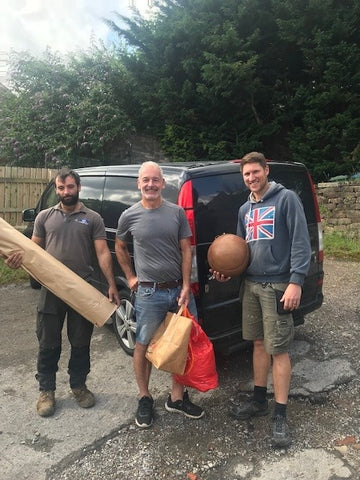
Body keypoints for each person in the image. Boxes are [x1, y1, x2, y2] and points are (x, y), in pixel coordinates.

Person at [213, 152, 311, 447]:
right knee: (256, 344)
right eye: (246, 175)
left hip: (278, 284)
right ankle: (259, 400)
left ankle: (280, 414)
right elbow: (240, 252)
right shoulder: (245, 209)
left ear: (266, 171)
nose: (252, 178)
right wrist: (227, 272)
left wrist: (295, 282)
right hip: (252, 286)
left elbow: (300, 242)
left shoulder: (287, 199)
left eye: (256, 172)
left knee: (278, 349)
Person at [5, 168, 120, 417]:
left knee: (80, 342)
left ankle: (78, 386)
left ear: (78, 188)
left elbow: (102, 253)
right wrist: (16, 260)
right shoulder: (45, 217)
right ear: (56, 189)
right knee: (48, 342)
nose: (65, 192)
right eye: (61, 187)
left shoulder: (92, 218)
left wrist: (111, 284)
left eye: (69, 187)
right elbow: (32, 251)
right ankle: (46, 390)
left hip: (83, 290)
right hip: (51, 289)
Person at [115, 161, 204, 428]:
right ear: (139, 184)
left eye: (156, 180)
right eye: (146, 180)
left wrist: (187, 285)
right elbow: (120, 247)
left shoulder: (176, 213)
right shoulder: (128, 215)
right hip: (148, 293)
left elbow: (186, 250)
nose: (151, 184)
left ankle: (176, 398)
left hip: (179, 290)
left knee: (184, 343)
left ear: (163, 183)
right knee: (142, 345)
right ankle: (145, 397)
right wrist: (131, 277)